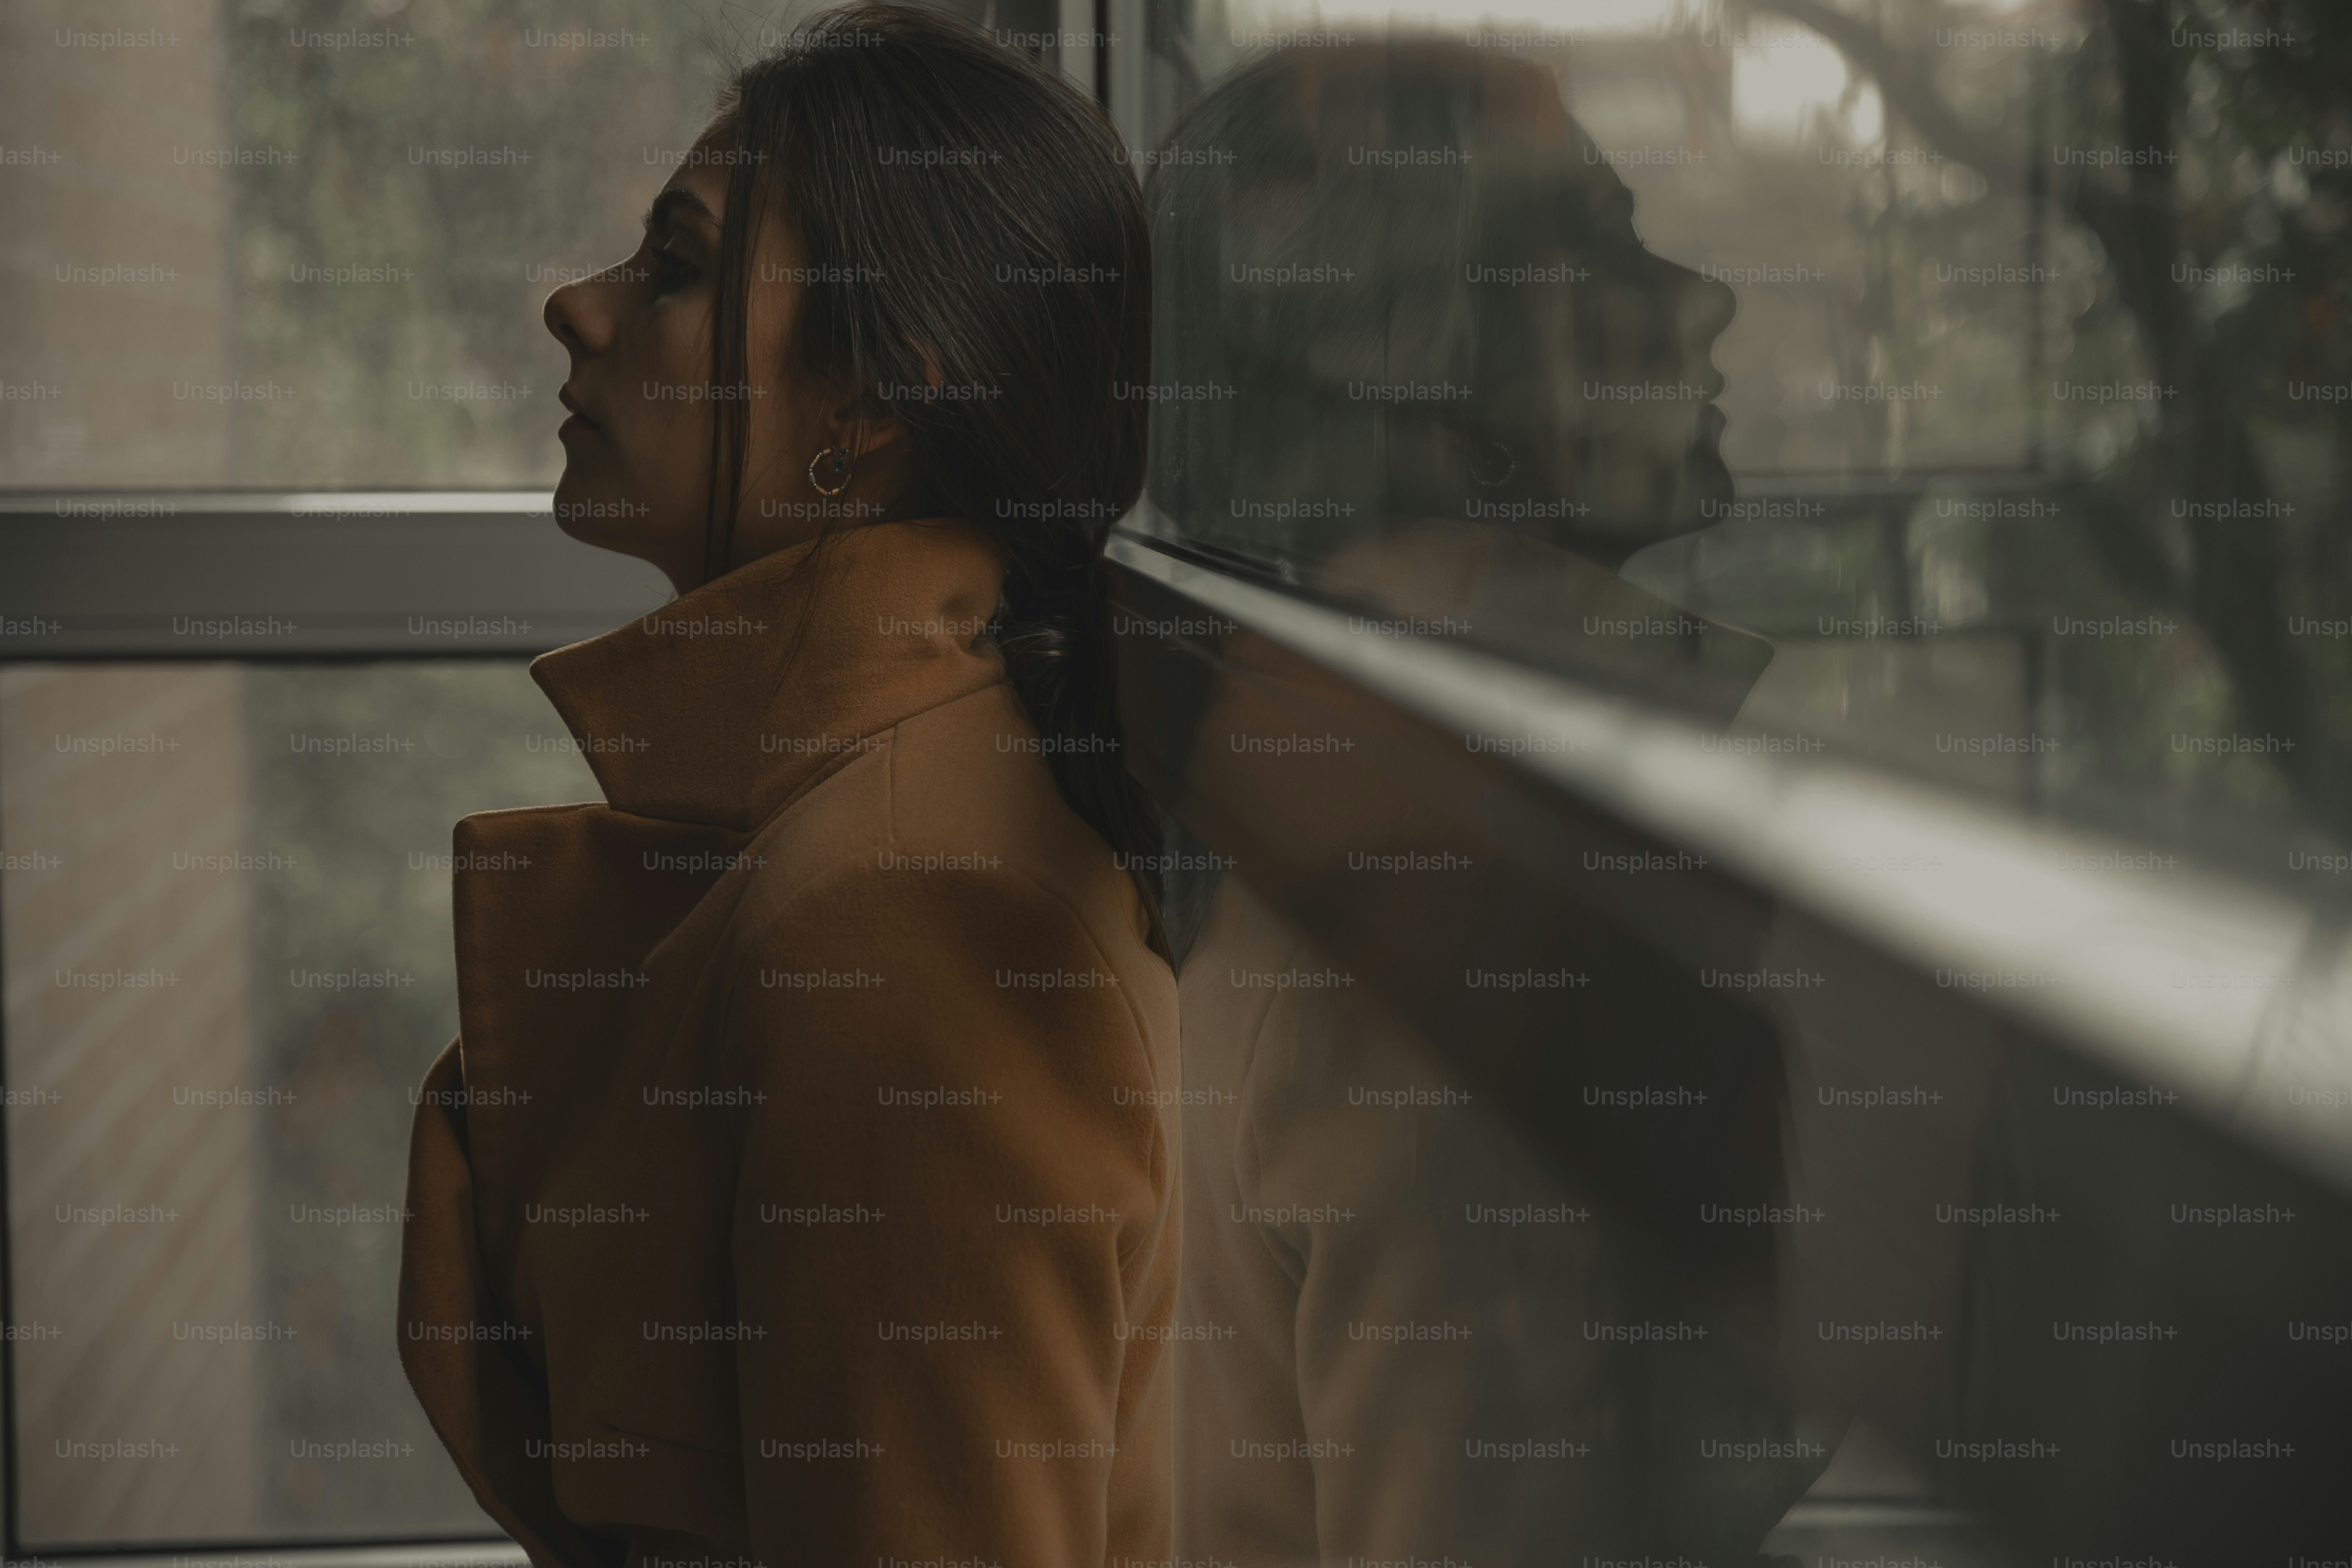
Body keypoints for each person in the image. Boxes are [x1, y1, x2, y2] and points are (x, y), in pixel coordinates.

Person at [395, 10, 1178, 1567]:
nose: (574, 305)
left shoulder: (900, 912)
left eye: (675, 266)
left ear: (871, 405)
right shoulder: (869, 824)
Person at [1143, 38, 1833, 1565]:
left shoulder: (1351, 815)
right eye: (1602, 245)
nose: (1705, 303)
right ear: (1414, 361)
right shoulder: (1465, 931)